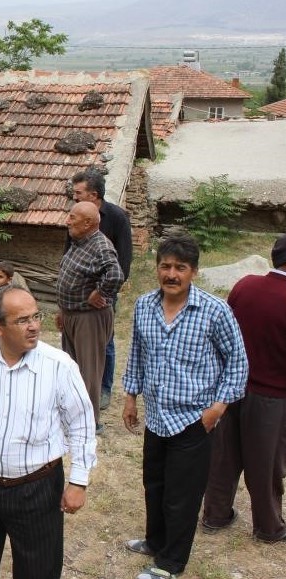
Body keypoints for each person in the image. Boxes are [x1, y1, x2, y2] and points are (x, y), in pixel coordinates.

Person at [0, 285, 97, 579]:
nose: (34, 326)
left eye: (36, 316)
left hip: (37, 488)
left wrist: (79, 481)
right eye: (23, 320)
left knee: (38, 570)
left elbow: (82, 424)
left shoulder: (59, 366)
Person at [122, 235, 248, 579]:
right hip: (157, 417)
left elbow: (237, 363)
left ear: (194, 271)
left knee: (182, 495)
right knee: (155, 485)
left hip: (195, 420)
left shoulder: (215, 311)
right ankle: (155, 541)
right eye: (165, 266)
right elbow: (137, 354)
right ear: (157, 268)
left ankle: (169, 565)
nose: (172, 274)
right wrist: (131, 396)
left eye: (180, 267)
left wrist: (218, 408)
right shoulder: (144, 306)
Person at [201, 234, 286, 543]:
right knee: (265, 464)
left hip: (232, 387)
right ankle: (268, 526)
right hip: (272, 396)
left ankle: (215, 514)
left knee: (224, 456)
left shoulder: (245, 285)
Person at [56, 201, 123, 432]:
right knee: (70, 368)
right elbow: (69, 276)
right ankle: (72, 416)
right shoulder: (78, 241)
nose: (67, 221)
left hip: (90, 318)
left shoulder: (101, 245)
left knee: (88, 371)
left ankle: (89, 422)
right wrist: (63, 309)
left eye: (72, 217)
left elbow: (116, 274)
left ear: (88, 223)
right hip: (72, 315)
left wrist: (100, 292)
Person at [69, 169, 132, 410]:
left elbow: (122, 264)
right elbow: (69, 252)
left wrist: (103, 293)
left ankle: (103, 389)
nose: (74, 198)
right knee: (77, 346)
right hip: (77, 299)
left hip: (101, 298)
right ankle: (78, 388)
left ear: (93, 195)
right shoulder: (75, 216)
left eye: (78, 193)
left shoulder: (116, 218)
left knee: (105, 342)